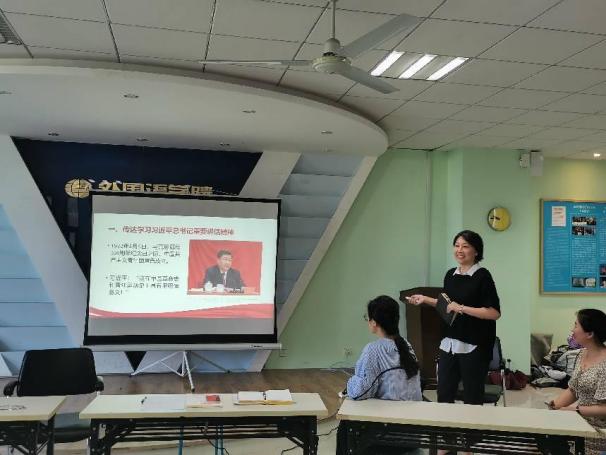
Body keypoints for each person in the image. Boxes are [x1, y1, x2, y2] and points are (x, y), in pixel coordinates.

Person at [406, 230, 500, 455]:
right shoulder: (451, 274)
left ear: (476, 251)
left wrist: (463, 308)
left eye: (465, 246)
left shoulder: (483, 276)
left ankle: (468, 446)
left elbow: (494, 312)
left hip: (474, 345)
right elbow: (447, 305)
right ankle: (447, 445)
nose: (459, 250)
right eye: (457, 245)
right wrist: (425, 299)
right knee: (444, 394)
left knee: (472, 397)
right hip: (449, 342)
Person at [336, 295, 422, 455]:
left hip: (389, 434)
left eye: (367, 318)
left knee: (345, 424)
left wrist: (349, 384)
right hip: (414, 430)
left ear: (374, 322)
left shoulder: (373, 350)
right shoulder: (406, 345)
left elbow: (360, 392)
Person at [548, 309, 606, 455]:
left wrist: (576, 410)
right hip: (579, 426)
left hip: (599, 434)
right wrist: (553, 407)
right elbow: (574, 389)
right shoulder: (581, 354)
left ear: (590, 334)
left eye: (575, 325)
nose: (572, 330)